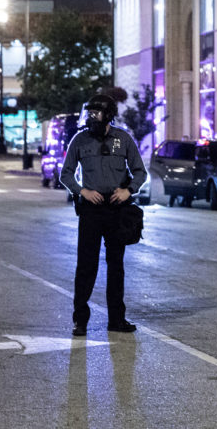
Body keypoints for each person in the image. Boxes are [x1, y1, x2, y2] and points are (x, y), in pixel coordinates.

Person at [60, 93, 147, 337]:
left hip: (116, 209)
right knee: (86, 266)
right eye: (89, 113)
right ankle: (80, 321)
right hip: (91, 211)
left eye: (96, 114)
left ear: (108, 115)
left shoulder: (123, 139)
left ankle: (116, 320)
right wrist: (82, 191)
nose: (91, 118)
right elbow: (65, 174)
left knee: (116, 266)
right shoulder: (80, 140)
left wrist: (128, 191)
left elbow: (140, 172)